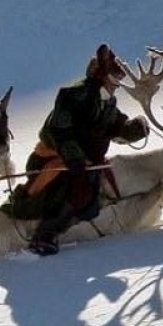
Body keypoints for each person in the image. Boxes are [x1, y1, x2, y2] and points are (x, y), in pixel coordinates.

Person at [17, 43, 149, 256]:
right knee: (78, 192)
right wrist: (75, 157)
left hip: (88, 162)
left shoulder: (108, 101)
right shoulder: (73, 94)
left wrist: (132, 130)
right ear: (103, 75)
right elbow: (58, 129)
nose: (118, 84)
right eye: (115, 79)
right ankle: (43, 236)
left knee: (90, 203)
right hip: (60, 158)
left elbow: (115, 127)